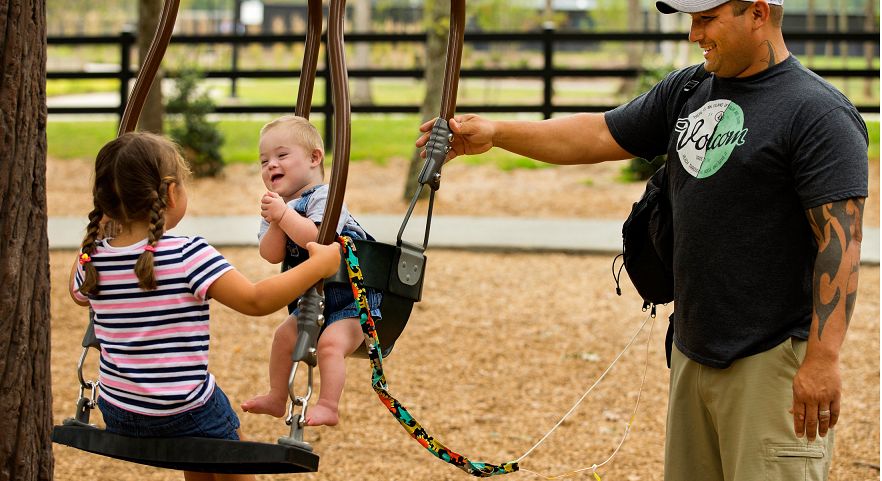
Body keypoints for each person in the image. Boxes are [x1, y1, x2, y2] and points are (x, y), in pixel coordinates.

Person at [417, 1, 868, 479]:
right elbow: (596, 134)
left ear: (757, 12)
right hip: (693, 354)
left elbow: (840, 243)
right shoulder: (689, 89)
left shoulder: (818, 113)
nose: (694, 35)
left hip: (771, 362)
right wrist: (496, 132)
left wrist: (822, 360)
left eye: (706, 19)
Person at [68, 132, 341, 481]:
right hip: (185, 409)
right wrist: (318, 265)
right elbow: (256, 301)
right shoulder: (187, 254)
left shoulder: (93, 259)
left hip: (120, 409)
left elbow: (76, 294)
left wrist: (96, 235)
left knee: (195, 448)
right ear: (170, 193)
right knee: (220, 442)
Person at [241, 115, 382, 427]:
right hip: (312, 301)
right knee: (283, 338)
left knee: (331, 346)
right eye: (264, 160)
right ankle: (278, 396)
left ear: (314, 158)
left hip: (352, 302)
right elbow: (270, 253)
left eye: (281, 155)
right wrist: (277, 217)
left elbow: (317, 237)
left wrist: (283, 214)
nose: (270, 165)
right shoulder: (277, 205)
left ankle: (329, 405)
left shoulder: (327, 197)